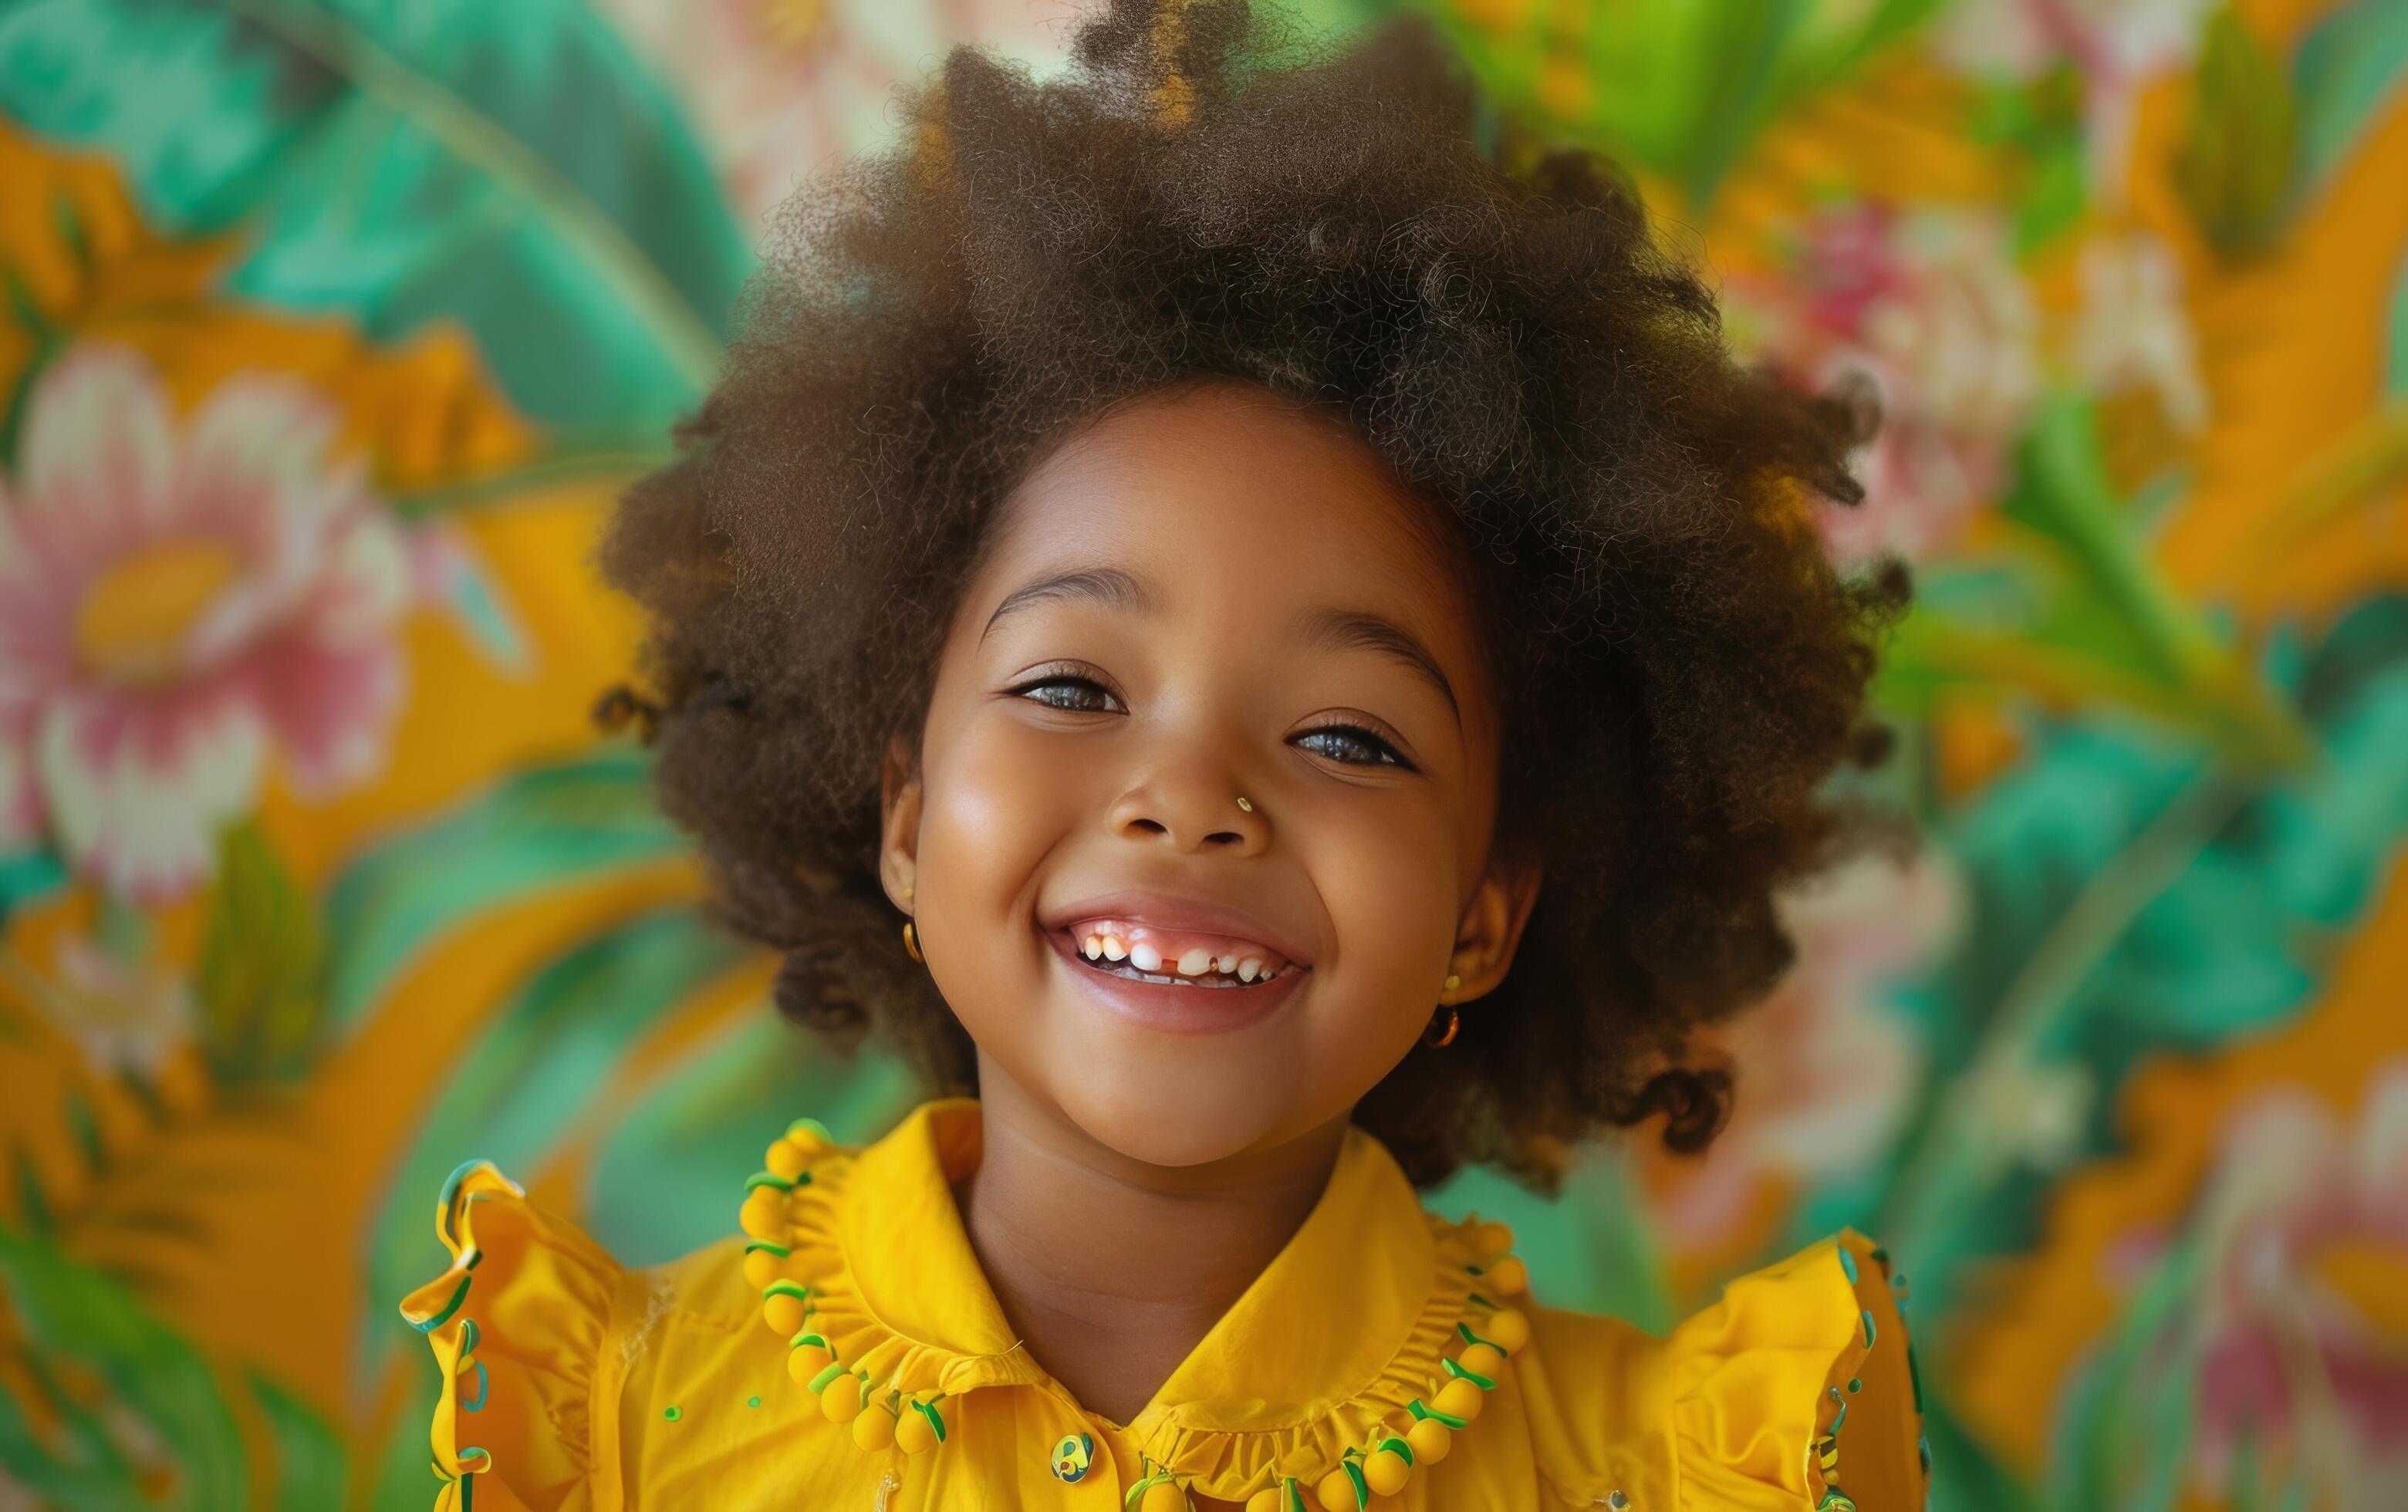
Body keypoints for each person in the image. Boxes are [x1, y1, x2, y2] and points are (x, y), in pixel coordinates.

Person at [398, 0, 1928, 1506]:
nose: (1193, 797)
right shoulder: (619, 1433)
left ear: (1481, 914)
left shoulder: (1661, 1472)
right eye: (1072, 685)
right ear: (908, 817)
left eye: (1347, 733)